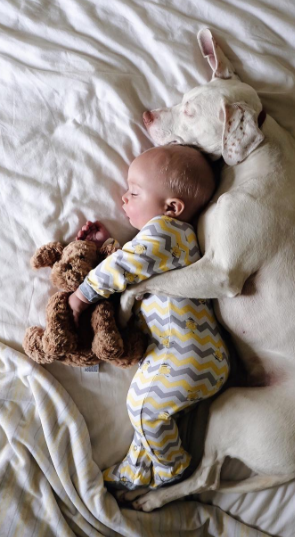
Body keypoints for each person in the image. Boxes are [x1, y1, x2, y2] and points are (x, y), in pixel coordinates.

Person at [68, 145, 230, 492]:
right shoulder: (167, 241)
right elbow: (133, 259)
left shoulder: (169, 232)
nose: (124, 198)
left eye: (135, 192)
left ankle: (172, 468)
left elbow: (126, 266)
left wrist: (82, 294)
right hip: (192, 355)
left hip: (185, 354)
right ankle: (137, 469)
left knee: (142, 407)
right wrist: (107, 244)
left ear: (172, 208)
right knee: (151, 415)